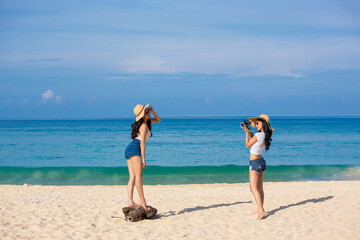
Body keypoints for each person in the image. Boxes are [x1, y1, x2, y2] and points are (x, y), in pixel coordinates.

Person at [125, 104, 161, 211]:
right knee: (138, 176)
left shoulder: (146, 123)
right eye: (146, 112)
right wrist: (144, 159)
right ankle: (143, 202)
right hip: (135, 147)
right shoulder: (144, 126)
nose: (148, 113)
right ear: (141, 115)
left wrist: (153, 111)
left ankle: (130, 201)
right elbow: (142, 144)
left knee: (132, 177)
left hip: (129, 148)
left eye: (147, 111)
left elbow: (158, 120)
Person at [241, 114, 274, 220]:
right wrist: (248, 131)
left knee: (253, 188)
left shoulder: (258, 135)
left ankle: (261, 210)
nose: (255, 124)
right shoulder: (264, 135)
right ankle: (260, 208)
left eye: (257, 123)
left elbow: (247, 145)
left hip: (255, 162)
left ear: (263, 124)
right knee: (259, 188)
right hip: (261, 161)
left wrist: (246, 133)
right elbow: (254, 139)